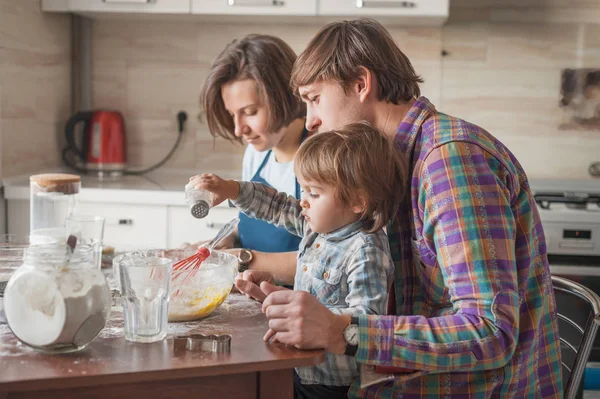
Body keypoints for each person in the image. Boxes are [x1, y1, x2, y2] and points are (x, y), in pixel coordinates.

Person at [235, 18, 563, 398]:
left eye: (314, 99)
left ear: (361, 84)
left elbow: (489, 331)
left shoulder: (449, 162)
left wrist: (341, 331)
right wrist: (301, 306)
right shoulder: (389, 164)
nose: (310, 122)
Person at [189, 122, 406, 399]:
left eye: (314, 193)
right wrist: (232, 189)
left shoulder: (366, 250)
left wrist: (304, 317)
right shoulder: (318, 227)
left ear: (358, 203)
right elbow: (278, 206)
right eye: (303, 190)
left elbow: (368, 322)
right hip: (299, 366)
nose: (303, 201)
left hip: (332, 384)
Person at [198, 34, 308, 282]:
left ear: (283, 96)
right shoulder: (255, 155)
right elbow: (256, 223)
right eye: (232, 114)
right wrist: (227, 240)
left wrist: (241, 260)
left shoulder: (321, 156)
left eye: (250, 112)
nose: (238, 129)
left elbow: (329, 261)